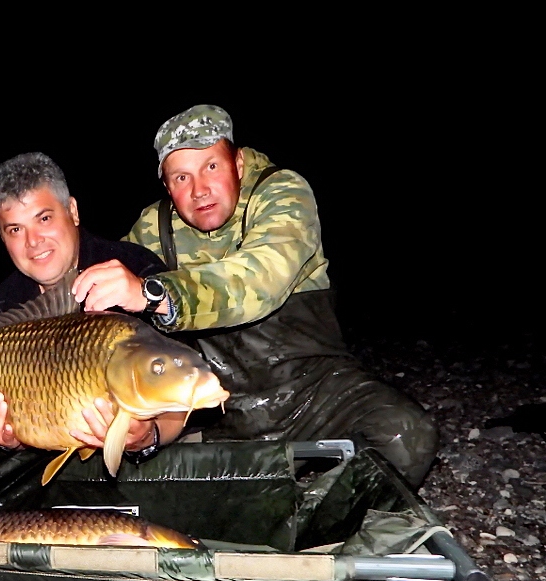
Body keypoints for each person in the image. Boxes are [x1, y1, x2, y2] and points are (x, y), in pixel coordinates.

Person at [71, 105, 438, 488]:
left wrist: (154, 294)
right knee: (114, 464)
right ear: (167, 186)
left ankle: (318, 522)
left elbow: (259, 280)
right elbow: (96, 313)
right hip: (214, 410)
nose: (199, 190)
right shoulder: (153, 227)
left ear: (239, 163)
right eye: (182, 177)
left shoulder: (282, 192)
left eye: (211, 166)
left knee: (407, 436)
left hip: (313, 393)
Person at [0, 151, 185, 462]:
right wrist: (11, 440)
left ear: (73, 211)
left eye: (44, 218)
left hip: (161, 457)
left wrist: (146, 437)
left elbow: (185, 386)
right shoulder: (5, 301)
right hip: (56, 454)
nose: (33, 241)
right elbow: (17, 421)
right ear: (2, 237)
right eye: (15, 229)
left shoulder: (135, 270)